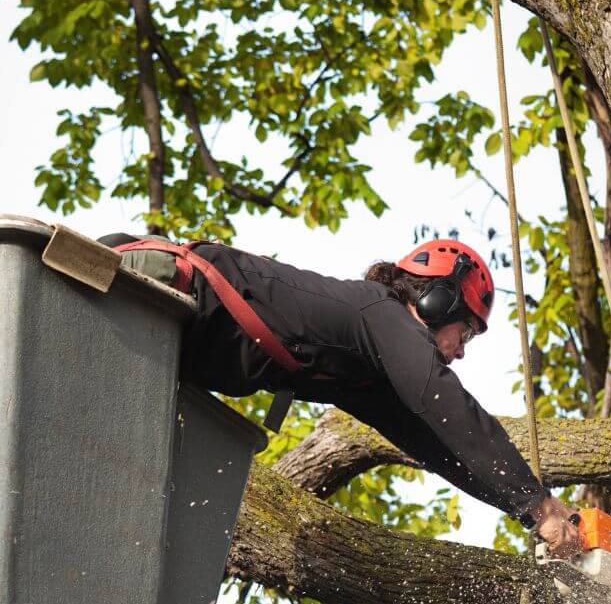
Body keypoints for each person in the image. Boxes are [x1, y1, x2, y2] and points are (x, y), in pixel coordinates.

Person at [100, 232, 581, 556]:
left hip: (164, 338)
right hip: (151, 286)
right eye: (466, 332)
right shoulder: (381, 312)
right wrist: (540, 506)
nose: (460, 352)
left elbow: (443, 446)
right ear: (439, 299)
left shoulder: (367, 373)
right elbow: (445, 401)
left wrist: (528, 508)